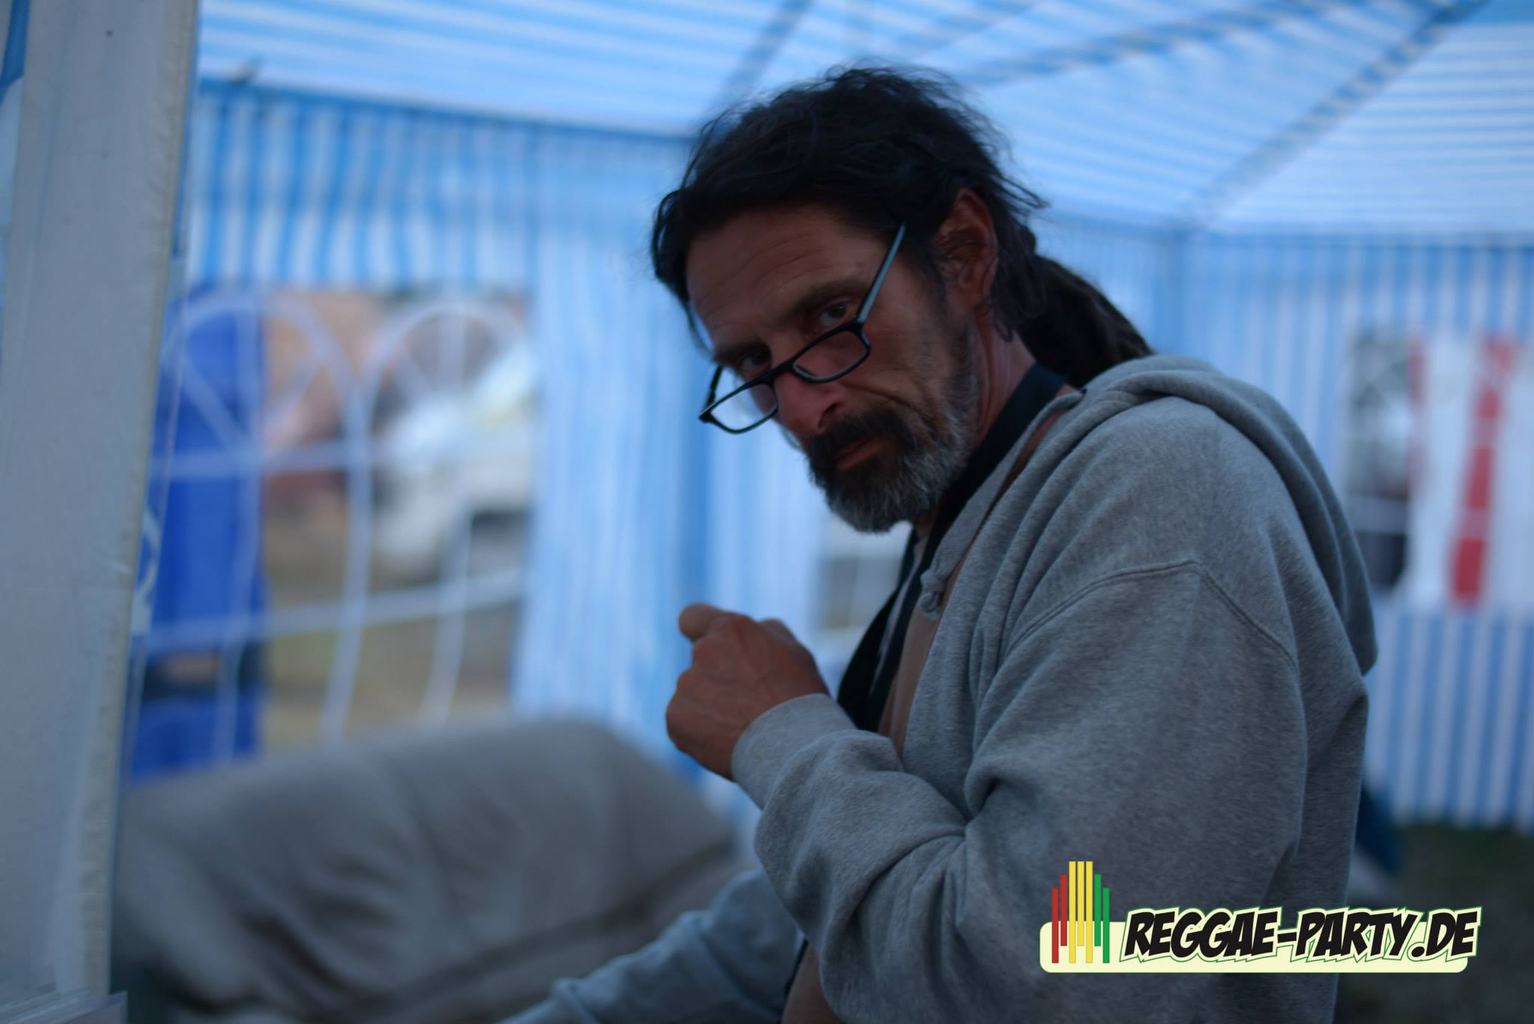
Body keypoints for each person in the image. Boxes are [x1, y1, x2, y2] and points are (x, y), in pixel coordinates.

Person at [509, 67, 1373, 1024]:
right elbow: (809, 932)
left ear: (963, 254)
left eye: (831, 316)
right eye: (753, 363)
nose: (801, 406)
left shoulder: (1158, 496)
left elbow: (1051, 977)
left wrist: (783, 738)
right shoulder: (968, 519)